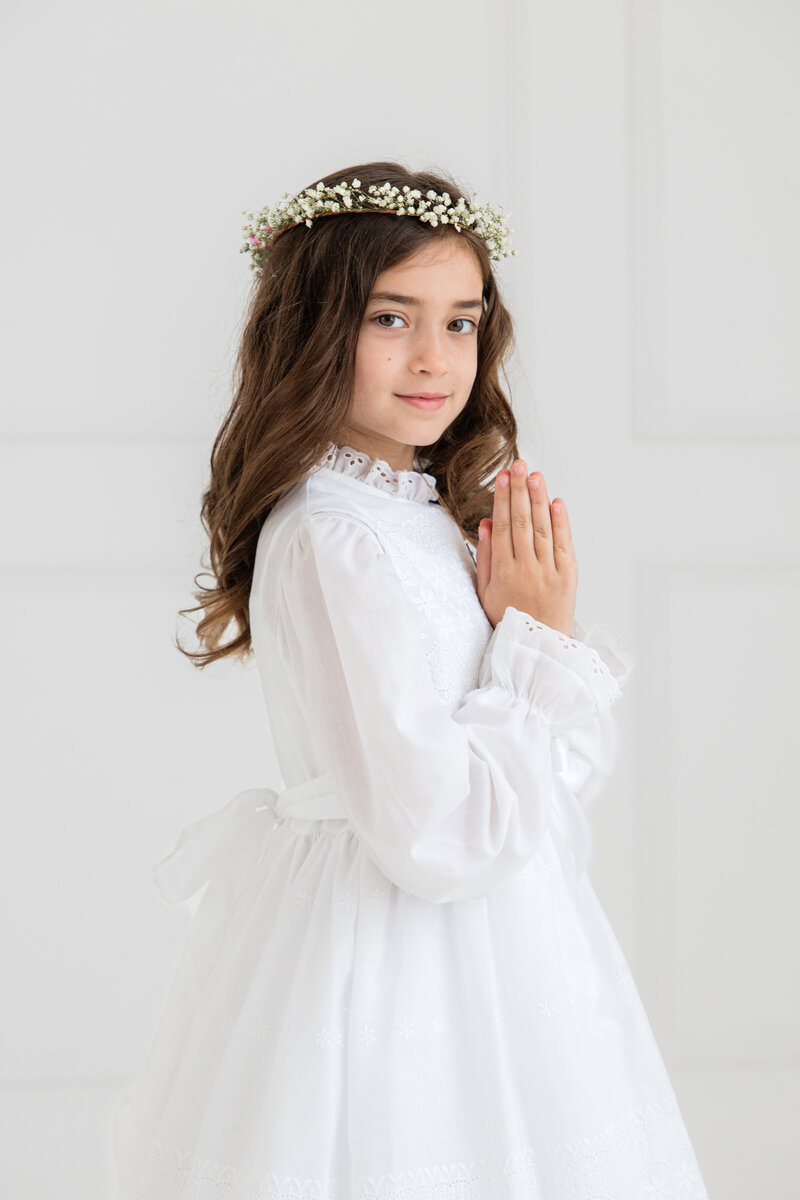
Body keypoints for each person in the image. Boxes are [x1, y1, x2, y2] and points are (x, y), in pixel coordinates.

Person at [113, 161, 710, 1198]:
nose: (434, 359)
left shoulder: (429, 518)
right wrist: (528, 647)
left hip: (507, 943)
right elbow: (433, 831)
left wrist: (535, 637)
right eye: (391, 319)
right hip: (391, 961)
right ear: (311, 327)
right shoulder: (336, 537)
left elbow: (555, 776)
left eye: (461, 321)